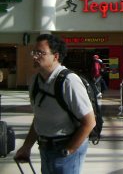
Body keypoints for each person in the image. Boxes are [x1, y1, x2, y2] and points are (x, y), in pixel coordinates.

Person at [14, 34, 95, 174]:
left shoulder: (69, 81)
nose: (34, 56)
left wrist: (69, 150)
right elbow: (39, 118)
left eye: (40, 53)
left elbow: (89, 122)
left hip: (66, 148)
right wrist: (26, 146)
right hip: (45, 147)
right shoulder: (35, 81)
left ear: (55, 56)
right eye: (34, 52)